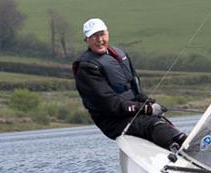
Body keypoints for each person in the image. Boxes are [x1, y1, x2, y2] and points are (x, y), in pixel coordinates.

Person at [73, 18, 187, 150]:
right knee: (154, 124)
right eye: (94, 36)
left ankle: (186, 147)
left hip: (133, 112)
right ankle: (176, 150)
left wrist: (149, 104)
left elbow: (134, 89)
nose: (100, 40)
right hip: (114, 121)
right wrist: (146, 109)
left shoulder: (119, 55)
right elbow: (110, 104)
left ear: (108, 34)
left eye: (102, 34)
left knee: (164, 123)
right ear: (86, 40)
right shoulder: (86, 68)